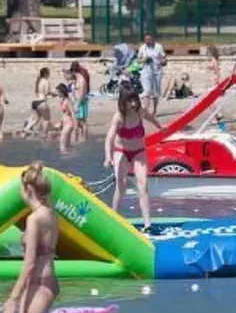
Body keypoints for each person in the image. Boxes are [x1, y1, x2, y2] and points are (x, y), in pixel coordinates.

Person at [2, 163, 59, 313]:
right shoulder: (51, 213)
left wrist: (13, 299)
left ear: (28, 190)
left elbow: (29, 263)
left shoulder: (34, 219)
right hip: (48, 279)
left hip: (38, 282)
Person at [104, 89, 163, 232]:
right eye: (129, 101)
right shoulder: (119, 117)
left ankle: (147, 224)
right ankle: (113, 216)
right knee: (122, 185)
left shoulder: (140, 112)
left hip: (138, 152)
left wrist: (161, 127)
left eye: (135, 100)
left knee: (143, 185)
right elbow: (109, 138)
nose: (133, 103)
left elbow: (150, 118)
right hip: (121, 152)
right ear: (122, 102)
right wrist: (108, 157)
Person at [137, 32, 167, 115]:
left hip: (157, 72)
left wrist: (161, 62)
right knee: (147, 91)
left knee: (156, 93)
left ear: (153, 39)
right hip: (145, 72)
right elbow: (138, 60)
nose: (147, 41)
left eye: (149, 40)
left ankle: (154, 110)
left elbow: (164, 59)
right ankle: (145, 110)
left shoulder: (158, 47)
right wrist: (144, 60)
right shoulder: (142, 48)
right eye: (146, 40)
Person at [68, 61, 92, 140]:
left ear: (74, 71)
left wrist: (77, 106)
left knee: (82, 122)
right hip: (78, 102)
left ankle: (84, 139)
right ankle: (80, 137)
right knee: (78, 122)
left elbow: (81, 94)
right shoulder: (78, 79)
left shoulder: (81, 80)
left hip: (81, 103)